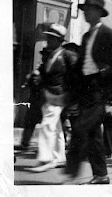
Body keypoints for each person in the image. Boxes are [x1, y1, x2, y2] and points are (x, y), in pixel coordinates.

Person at [64, 0, 112, 184]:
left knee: (82, 128)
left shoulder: (108, 34)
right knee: (93, 135)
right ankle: (101, 175)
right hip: (87, 89)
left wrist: (102, 76)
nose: (86, 13)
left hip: (102, 91)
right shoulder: (86, 36)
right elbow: (81, 65)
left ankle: (72, 169)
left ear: (99, 13)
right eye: (84, 9)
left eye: (90, 9)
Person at [27, 24, 78, 173]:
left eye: (52, 38)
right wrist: (36, 72)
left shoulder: (68, 55)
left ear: (59, 40)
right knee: (55, 127)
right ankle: (60, 157)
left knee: (47, 125)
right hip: (48, 94)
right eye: (48, 37)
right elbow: (44, 69)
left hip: (59, 95)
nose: (48, 40)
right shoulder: (50, 54)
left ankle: (46, 158)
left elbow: (76, 75)